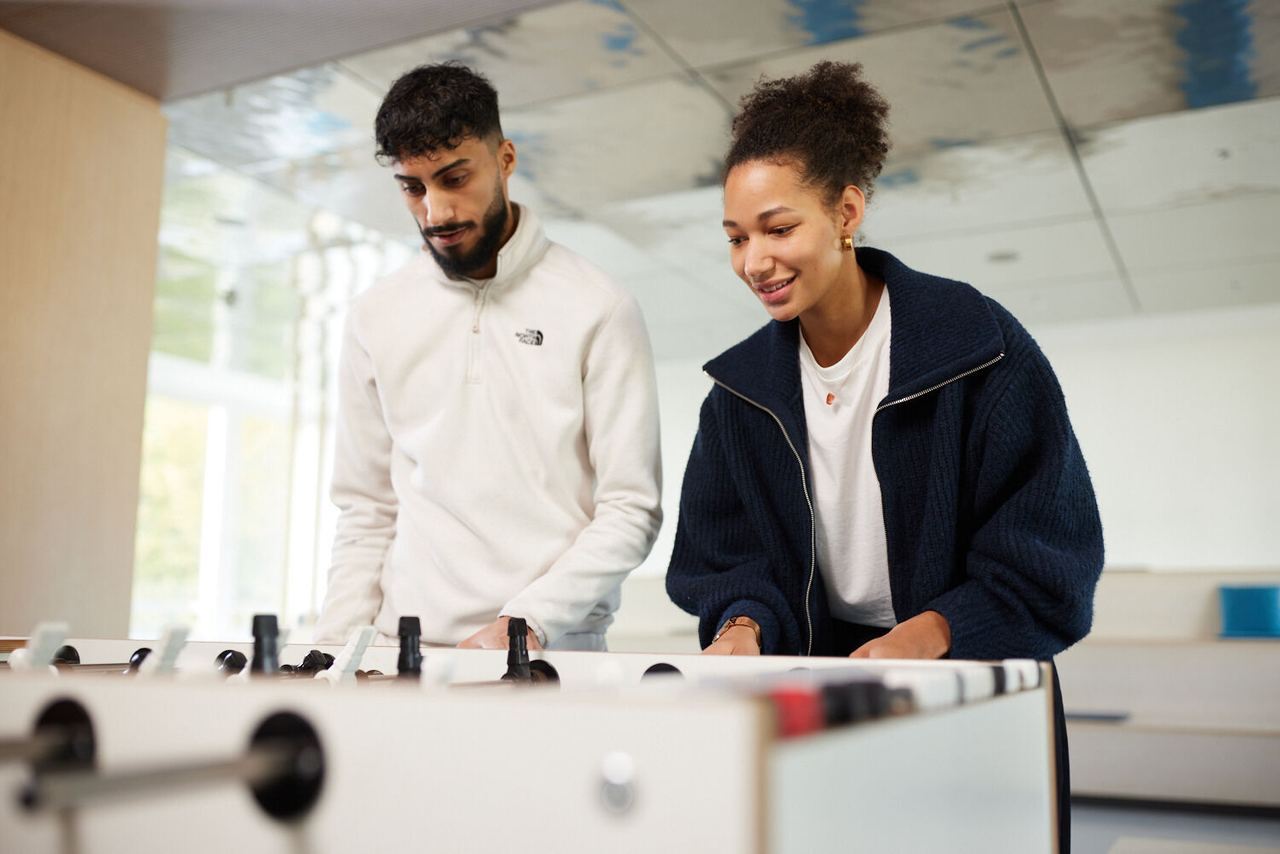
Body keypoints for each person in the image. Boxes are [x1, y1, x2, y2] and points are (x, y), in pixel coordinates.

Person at [665, 61, 1103, 851]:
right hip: (825, 698)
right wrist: (741, 625)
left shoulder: (979, 347)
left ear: (846, 211)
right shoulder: (737, 396)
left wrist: (930, 633)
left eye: (777, 229)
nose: (753, 261)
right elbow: (726, 559)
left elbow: (1051, 563)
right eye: (735, 238)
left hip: (969, 686)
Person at [315, 62, 662, 652]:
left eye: (455, 178)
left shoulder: (599, 306)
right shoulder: (375, 314)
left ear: (505, 159)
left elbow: (632, 508)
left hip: (550, 651)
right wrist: (334, 650)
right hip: (404, 655)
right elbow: (367, 509)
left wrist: (524, 625)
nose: (436, 212)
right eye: (413, 188)